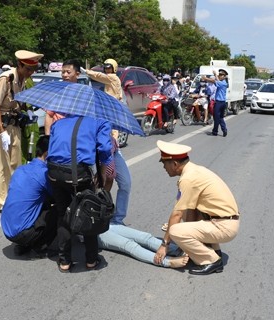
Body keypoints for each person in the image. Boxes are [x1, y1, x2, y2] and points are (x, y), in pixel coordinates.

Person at [153, 140, 240, 275]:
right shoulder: (194, 170)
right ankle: (213, 250)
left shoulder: (188, 179)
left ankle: (211, 260)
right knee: (189, 210)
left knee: (175, 230)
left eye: (165, 164)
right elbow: (189, 210)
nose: (164, 168)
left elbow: (177, 214)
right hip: (224, 220)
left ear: (175, 164)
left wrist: (164, 245)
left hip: (224, 226)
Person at [47, 114, 113, 273]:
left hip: (53, 172)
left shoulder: (59, 123)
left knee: (63, 214)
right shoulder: (101, 121)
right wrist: (103, 172)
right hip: (78, 175)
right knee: (89, 210)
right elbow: (104, 148)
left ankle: (64, 262)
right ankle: (91, 260)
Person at [0, 50, 43, 212]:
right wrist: (2, 130)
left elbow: (19, 103)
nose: (30, 73)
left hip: (15, 125)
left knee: (14, 163)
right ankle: (1, 201)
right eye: (27, 69)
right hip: (2, 126)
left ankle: (12, 196)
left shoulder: (23, 81)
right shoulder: (6, 78)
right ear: (19, 65)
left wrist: (28, 111)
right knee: (1, 165)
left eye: (32, 70)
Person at [85, 58, 131, 225]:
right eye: (105, 66)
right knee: (101, 181)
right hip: (103, 146)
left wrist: (87, 71)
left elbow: (98, 76)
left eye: (109, 67)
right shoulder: (104, 96)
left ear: (115, 68)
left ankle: (116, 219)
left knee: (123, 182)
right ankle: (97, 213)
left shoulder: (114, 79)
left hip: (113, 145)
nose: (106, 69)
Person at [0, 135, 57, 256]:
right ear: (47, 154)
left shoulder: (21, 169)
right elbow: (57, 196)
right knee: (60, 210)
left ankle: (24, 244)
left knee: (38, 201)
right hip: (20, 232)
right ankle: (40, 246)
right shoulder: (43, 173)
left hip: (7, 228)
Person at [98, 224, 189, 268]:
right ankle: (168, 262)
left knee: (144, 237)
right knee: (129, 245)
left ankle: (177, 250)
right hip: (92, 234)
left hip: (105, 223)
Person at [202, 69, 229, 137]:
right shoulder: (224, 82)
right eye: (219, 75)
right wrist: (215, 74)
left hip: (219, 103)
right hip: (223, 103)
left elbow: (214, 81)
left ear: (224, 76)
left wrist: (205, 78)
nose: (219, 76)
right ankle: (224, 130)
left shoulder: (222, 83)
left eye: (221, 75)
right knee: (220, 118)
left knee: (216, 118)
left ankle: (215, 131)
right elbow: (217, 79)